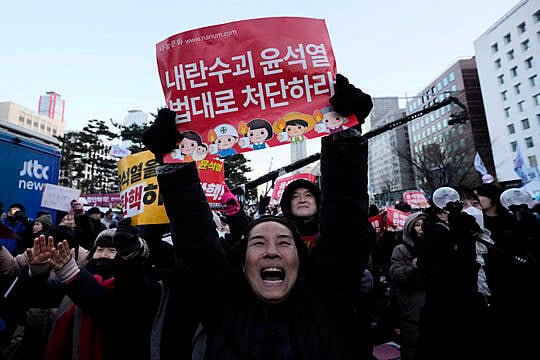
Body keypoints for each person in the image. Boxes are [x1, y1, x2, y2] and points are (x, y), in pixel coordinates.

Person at [142, 73, 375, 359]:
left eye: (284, 242)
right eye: (258, 243)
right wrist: (175, 162)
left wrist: (345, 137)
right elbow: (193, 236)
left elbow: (345, 225)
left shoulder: (325, 299)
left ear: (301, 260)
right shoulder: (221, 304)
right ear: (241, 263)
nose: (272, 252)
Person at [389, 212, 426, 360]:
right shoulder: (401, 249)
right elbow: (395, 273)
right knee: (412, 343)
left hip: (432, 301)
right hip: (412, 304)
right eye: (417, 225)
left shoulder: (436, 246)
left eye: (424, 225)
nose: (421, 229)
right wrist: (413, 268)